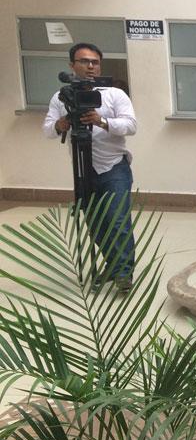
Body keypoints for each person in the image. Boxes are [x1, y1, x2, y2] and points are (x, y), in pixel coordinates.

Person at [42, 42, 137, 291]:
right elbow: (48, 130)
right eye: (84, 61)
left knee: (117, 220)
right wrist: (61, 124)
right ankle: (115, 266)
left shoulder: (114, 94)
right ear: (72, 65)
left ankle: (124, 274)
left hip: (114, 167)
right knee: (96, 224)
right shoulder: (62, 97)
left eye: (95, 62)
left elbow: (131, 126)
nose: (91, 66)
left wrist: (102, 121)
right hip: (83, 168)